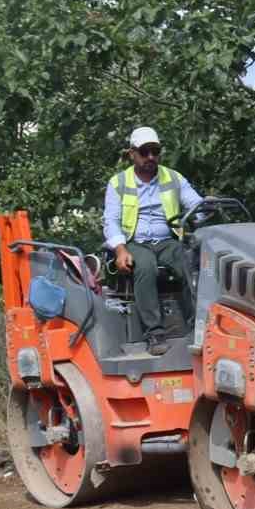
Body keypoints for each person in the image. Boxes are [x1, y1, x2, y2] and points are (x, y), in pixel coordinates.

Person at [102, 126, 203, 355]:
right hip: (134, 243)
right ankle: (154, 332)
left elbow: (196, 205)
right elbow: (111, 220)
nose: (150, 157)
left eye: (155, 152)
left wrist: (207, 207)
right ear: (132, 154)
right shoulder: (118, 183)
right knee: (145, 266)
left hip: (167, 241)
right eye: (144, 152)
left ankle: (198, 324)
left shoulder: (173, 177)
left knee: (189, 260)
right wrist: (120, 250)